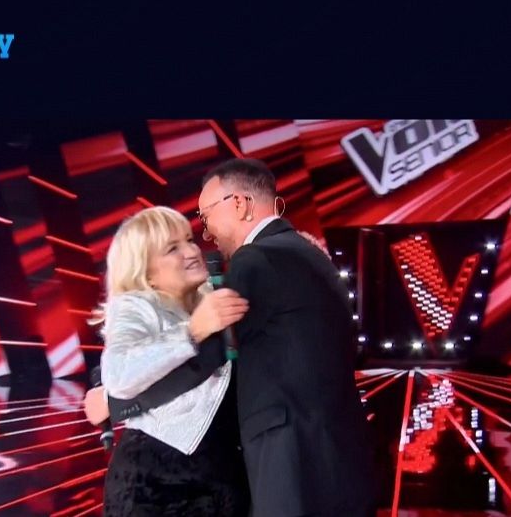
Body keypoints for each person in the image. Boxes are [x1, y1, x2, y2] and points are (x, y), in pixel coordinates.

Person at [92, 158, 377, 517]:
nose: (202, 241)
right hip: (164, 483)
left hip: (277, 464)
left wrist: (115, 404)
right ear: (144, 269)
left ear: (239, 204)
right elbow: (127, 366)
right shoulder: (307, 256)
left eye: (202, 222)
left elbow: (211, 360)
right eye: (173, 247)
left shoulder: (254, 260)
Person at [96, 206, 250, 516]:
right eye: (172, 248)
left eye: (189, 240)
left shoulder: (214, 296)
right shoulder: (134, 307)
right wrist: (192, 332)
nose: (192, 252)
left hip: (221, 480)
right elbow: (118, 374)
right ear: (146, 272)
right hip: (154, 486)